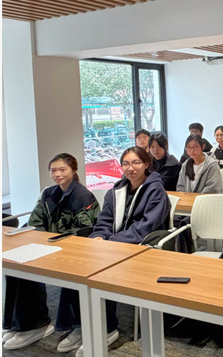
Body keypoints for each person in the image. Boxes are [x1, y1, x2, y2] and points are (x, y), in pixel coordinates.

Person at [75, 146, 171, 356]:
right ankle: (79, 325)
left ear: (146, 164)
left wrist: (112, 242)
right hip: (115, 245)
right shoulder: (116, 191)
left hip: (143, 248)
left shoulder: (155, 190)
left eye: (136, 163)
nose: (130, 168)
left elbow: (147, 227)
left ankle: (106, 328)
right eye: (126, 163)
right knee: (77, 269)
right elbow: (104, 221)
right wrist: (99, 237)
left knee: (101, 271)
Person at [3, 154, 100, 352]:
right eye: (53, 170)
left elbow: (84, 230)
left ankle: (73, 326)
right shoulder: (48, 193)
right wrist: (39, 240)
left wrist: (52, 242)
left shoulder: (82, 196)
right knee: (16, 267)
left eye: (62, 169)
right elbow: (35, 221)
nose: (57, 174)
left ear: (73, 170)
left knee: (68, 275)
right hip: (47, 245)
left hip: (74, 249)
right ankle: (26, 323)